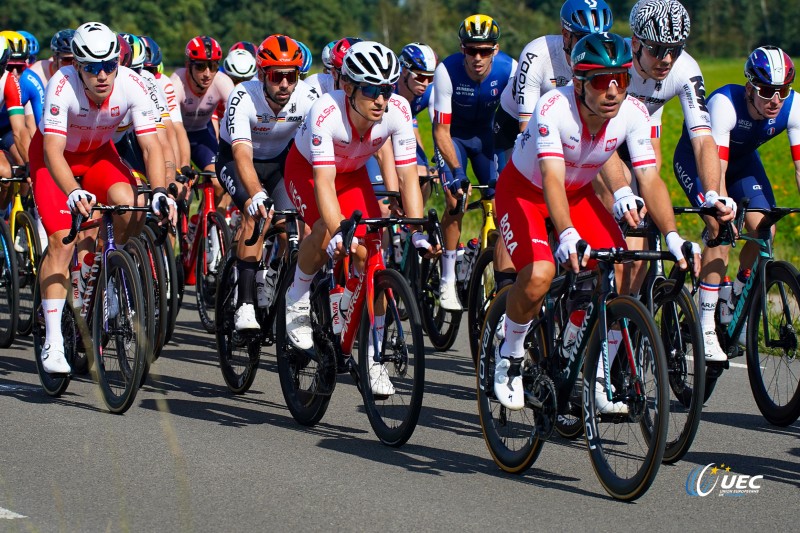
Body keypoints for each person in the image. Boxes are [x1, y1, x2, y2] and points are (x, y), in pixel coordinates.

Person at [493, 32, 699, 411]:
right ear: (580, 82)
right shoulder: (553, 108)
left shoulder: (632, 113)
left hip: (577, 194)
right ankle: (510, 354)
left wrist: (672, 235)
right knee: (539, 273)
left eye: (620, 80)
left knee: (621, 269)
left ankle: (590, 369)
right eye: (602, 81)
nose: (613, 91)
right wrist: (567, 233)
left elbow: (649, 178)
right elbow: (551, 178)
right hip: (524, 192)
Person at [282, 41, 439, 395]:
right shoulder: (326, 112)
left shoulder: (397, 111)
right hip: (307, 170)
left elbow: (409, 176)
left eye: (386, 89)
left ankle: (372, 357)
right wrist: (338, 232)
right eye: (371, 90)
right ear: (349, 88)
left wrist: (415, 231)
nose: (381, 99)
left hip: (351, 174)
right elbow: (323, 183)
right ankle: (298, 293)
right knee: (326, 231)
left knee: (373, 255)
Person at [31, 22, 175, 374]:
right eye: (92, 68)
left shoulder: (132, 83)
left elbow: (151, 144)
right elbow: (51, 151)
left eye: (109, 65)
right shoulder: (61, 84)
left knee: (131, 202)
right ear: (78, 66)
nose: (102, 75)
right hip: (56, 161)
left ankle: (103, 272)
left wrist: (159, 191)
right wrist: (73, 190)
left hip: (98, 156)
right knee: (62, 243)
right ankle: (52, 340)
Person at [624, 0, 734, 360]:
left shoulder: (684, 69)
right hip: (597, 141)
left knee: (648, 228)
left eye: (675, 49)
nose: (667, 59)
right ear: (636, 43)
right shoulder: (616, 62)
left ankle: (625, 321)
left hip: (641, 137)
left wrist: (713, 193)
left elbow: (703, 137)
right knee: (627, 242)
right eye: (657, 49)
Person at [674, 46, 800, 358]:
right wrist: (722, 209)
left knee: (764, 231)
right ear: (749, 88)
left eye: (782, 91)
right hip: (699, 161)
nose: (775, 100)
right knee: (720, 226)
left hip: (743, 164)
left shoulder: (793, 106)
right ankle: (705, 325)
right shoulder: (724, 105)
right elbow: (717, 170)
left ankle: (737, 296)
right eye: (767, 91)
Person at [217, 34, 318, 332]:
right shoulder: (242, 96)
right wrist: (256, 195)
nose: (285, 84)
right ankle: (244, 305)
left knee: (292, 229)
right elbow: (241, 155)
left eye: (291, 76)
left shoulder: (307, 99)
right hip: (237, 161)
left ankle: (273, 272)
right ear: (262, 74)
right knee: (255, 214)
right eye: (276, 76)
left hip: (279, 165)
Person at [432, 14, 515, 311]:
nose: (477, 57)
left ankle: (484, 261)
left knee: (502, 201)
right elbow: (440, 131)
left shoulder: (510, 70)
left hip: (491, 139)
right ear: (462, 48)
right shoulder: (447, 71)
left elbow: (517, 123)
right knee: (457, 200)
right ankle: (447, 279)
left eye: (484, 50)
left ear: (495, 49)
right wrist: (455, 172)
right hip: (455, 138)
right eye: (471, 50)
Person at [169, 35, 234, 214]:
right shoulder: (176, 83)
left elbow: (236, 119)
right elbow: (174, 127)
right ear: (188, 65)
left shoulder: (222, 81)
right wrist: (182, 166)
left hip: (201, 133)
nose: (207, 73)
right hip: (175, 135)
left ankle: (200, 222)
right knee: (177, 187)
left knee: (218, 182)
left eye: (213, 66)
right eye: (200, 66)